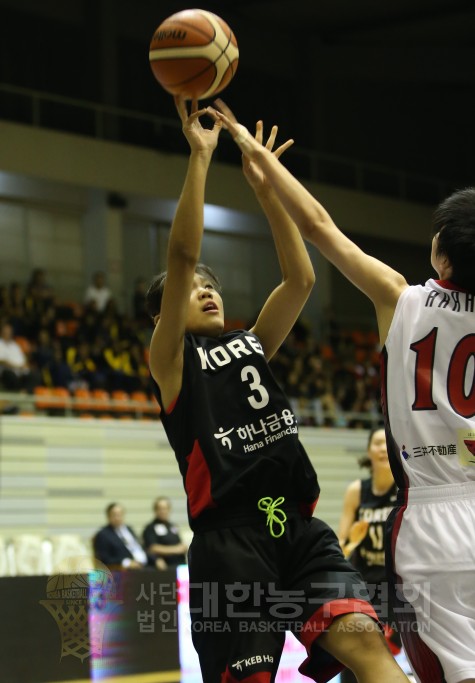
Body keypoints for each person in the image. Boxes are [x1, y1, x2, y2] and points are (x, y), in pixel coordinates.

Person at [146, 95, 408, 683]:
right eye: (192, 289)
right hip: (229, 545)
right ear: (163, 313)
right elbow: (183, 254)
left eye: (211, 285)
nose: (205, 289)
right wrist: (201, 157)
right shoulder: (171, 361)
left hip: (298, 528)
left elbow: (301, 277)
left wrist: (265, 186)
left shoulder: (253, 342)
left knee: (368, 646)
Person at [211, 100, 475, 683]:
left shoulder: (401, 298)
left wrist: (261, 163)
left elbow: (319, 229)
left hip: (433, 525)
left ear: (440, 250)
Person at [338, 427, 402, 683]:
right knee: (353, 655)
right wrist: (352, 539)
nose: (381, 448)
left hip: (398, 587)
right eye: (376, 443)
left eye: (386, 443)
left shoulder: (404, 488)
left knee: (387, 655)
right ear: (368, 451)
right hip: (362, 588)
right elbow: (341, 547)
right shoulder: (356, 491)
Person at [93, 502, 166, 571]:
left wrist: (155, 559)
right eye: (114, 515)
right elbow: (104, 559)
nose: (117, 518)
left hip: (145, 565)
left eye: (120, 514)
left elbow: (141, 548)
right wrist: (126, 563)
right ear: (108, 516)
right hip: (124, 570)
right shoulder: (103, 535)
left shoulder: (129, 529)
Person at [142, 496, 187, 567]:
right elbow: (152, 548)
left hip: (180, 564)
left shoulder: (173, 526)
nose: (163, 511)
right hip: (165, 566)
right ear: (155, 510)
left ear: (169, 509)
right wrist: (176, 550)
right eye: (160, 509)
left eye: (165, 508)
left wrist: (183, 548)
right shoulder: (150, 528)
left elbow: (180, 544)